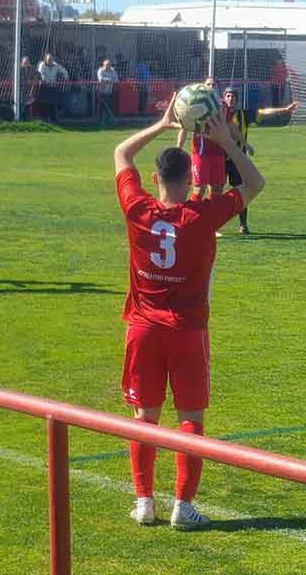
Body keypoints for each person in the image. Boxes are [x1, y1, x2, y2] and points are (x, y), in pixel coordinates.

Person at [113, 98, 264, 530]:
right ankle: (183, 506)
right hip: (187, 332)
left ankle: (143, 500)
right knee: (190, 419)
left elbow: (122, 153)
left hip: (142, 329)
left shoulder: (137, 209)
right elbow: (255, 184)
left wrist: (162, 125)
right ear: (191, 177)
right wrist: (227, 141)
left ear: (157, 177)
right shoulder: (202, 215)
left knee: (144, 417)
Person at [176, 81, 297, 236]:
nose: (211, 86)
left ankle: (213, 226)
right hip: (201, 153)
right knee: (199, 189)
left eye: (214, 84)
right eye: (208, 84)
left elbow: (232, 126)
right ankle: (189, 222)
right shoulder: (194, 104)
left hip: (220, 154)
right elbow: (185, 125)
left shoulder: (224, 108)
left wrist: (245, 143)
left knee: (218, 189)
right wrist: (178, 147)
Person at [37, 53, 69, 124]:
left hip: (53, 86)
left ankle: (53, 118)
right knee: (44, 103)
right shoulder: (42, 65)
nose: (50, 60)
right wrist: (43, 80)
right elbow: (40, 74)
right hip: (44, 86)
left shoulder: (56, 65)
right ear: (45, 59)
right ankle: (44, 118)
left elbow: (64, 71)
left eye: (51, 59)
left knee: (53, 103)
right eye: (49, 59)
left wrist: (66, 78)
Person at [96, 59, 119, 127]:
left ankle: (108, 122)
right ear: (103, 65)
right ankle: (101, 122)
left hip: (109, 92)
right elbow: (101, 80)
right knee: (103, 107)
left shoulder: (113, 70)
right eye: (106, 65)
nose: (108, 67)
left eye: (109, 65)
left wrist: (107, 81)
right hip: (101, 92)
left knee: (108, 107)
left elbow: (116, 80)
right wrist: (110, 80)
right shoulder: (100, 70)